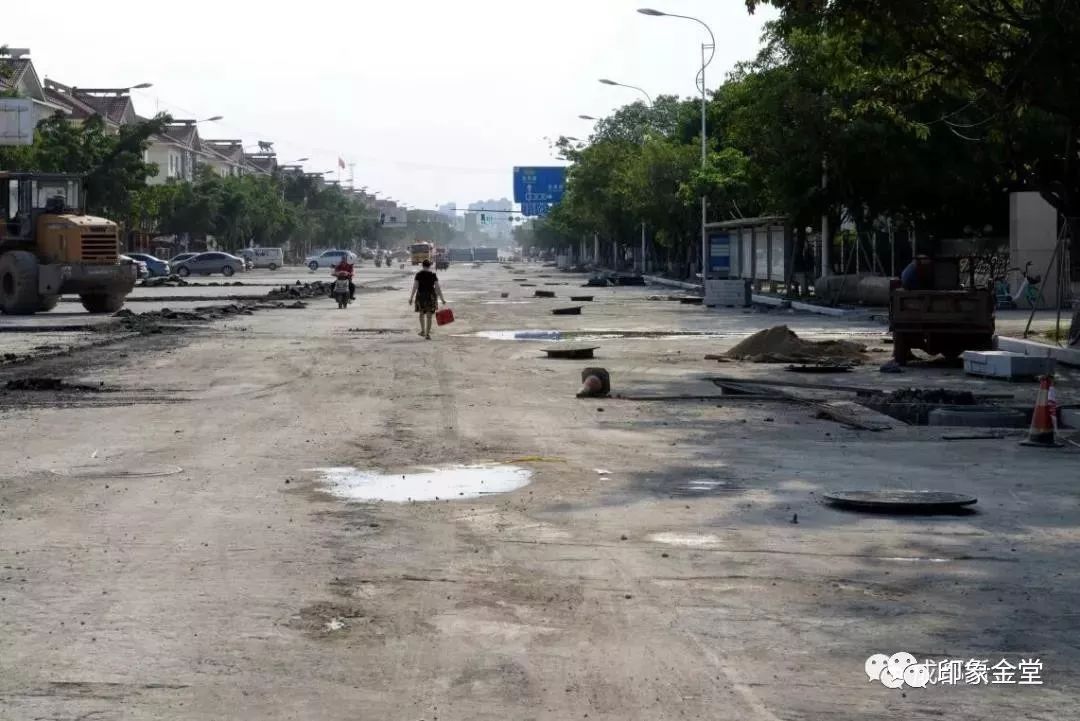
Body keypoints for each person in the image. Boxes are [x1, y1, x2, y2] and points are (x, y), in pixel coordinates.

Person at [408, 259, 445, 340]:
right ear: (430, 266)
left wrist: (411, 298)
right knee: (429, 316)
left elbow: (415, 287)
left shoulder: (418, 274)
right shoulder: (433, 275)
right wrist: (442, 299)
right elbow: (438, 288)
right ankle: (427, 334)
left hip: (421, 296)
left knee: (421, 314)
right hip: (431, 297)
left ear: (422, 265)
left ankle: (422, 331)